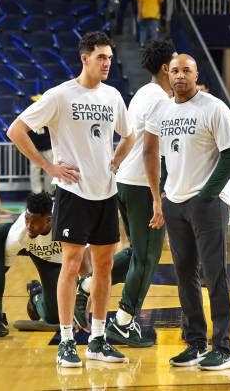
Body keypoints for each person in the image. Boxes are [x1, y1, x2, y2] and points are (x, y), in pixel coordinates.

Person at [6, 31, 136, 368]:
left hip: (106, 193)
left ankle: (97, 338)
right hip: (73, 194)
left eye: (109, 57)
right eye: (101, 57)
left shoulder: (113, 96)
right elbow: (16, 130)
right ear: (85, 58)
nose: (107, 63)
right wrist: (49, 166)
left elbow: (130, 134)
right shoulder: (60, 95)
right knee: (73, 265)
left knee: (105, 268)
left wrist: (116, 160)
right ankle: (66, 340)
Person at [145, 54, 230, 370]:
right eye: (175, 71)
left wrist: (206, 195)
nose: (180, 76)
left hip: (208, 203)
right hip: (175, 202)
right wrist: (162, 193)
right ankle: (196, 342)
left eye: (187, 70)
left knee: (215, 273)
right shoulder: (162, 109)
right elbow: (162, 156)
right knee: (184, 274)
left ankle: (224, 347)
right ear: (167, 74)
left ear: (196, 74)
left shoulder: (214, 108)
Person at [79, 40, 174, 347]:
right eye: (175, 66)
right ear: (164, 68)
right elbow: (150, 150)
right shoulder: (160, 99)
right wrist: (157, 197)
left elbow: (132, 137)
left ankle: (88, 286)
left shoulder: (145, 93)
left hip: (125, 181)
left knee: (137, 252)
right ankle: (123, 321)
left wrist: (117, 166)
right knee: (147, 258)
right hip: (142, 185)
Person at [0, 193, 133, 339]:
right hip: (39, 255)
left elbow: (86, 272)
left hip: (66, 261)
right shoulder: (19, 234)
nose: (29, 225)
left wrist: (81, 311)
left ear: (49, 220)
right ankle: (35, 296)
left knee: (55, 315)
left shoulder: (69, 222)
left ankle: (36, 295)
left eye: (34, 222)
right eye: (27, 220)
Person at [28, 126, 54, 194]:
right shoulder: (29, 120)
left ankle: (49, 192)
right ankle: (36, 193)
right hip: (34, 149)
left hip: (48, 147)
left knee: (50, 171)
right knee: (34, 171)